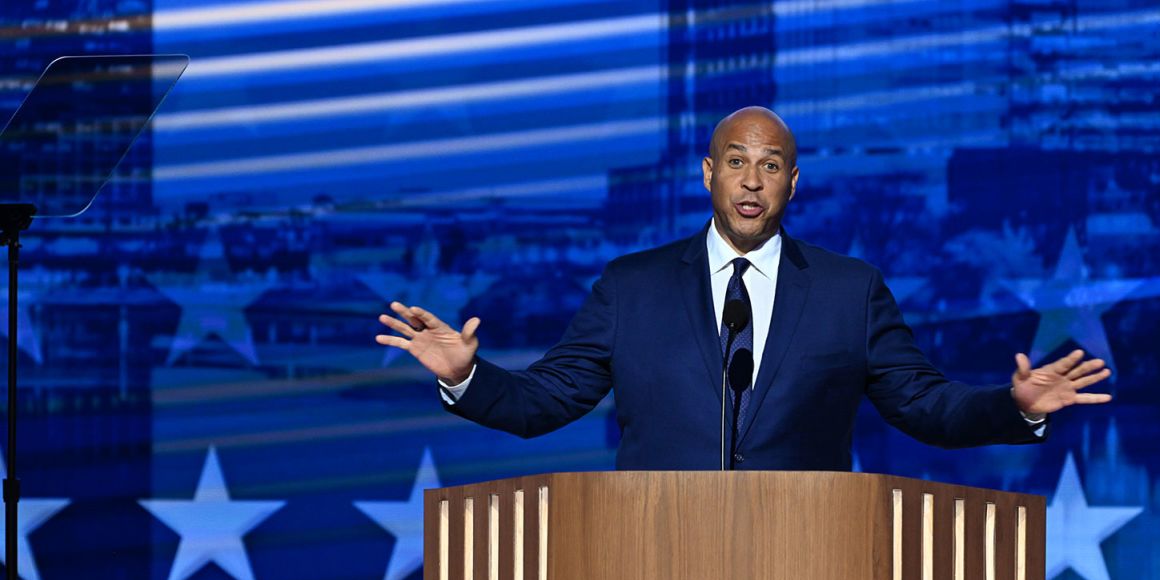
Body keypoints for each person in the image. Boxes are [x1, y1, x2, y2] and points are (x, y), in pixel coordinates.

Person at [375, 107, 1111, 471]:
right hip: (652, 566)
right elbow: (547, 400)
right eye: (736, 161)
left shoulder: (849, 292)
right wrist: (468, 377)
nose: (752, 180)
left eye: (770, 165)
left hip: (807, 570)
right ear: (708, 173)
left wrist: (1012, 409)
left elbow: (923, 403)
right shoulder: (631, 289)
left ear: (794, 182)